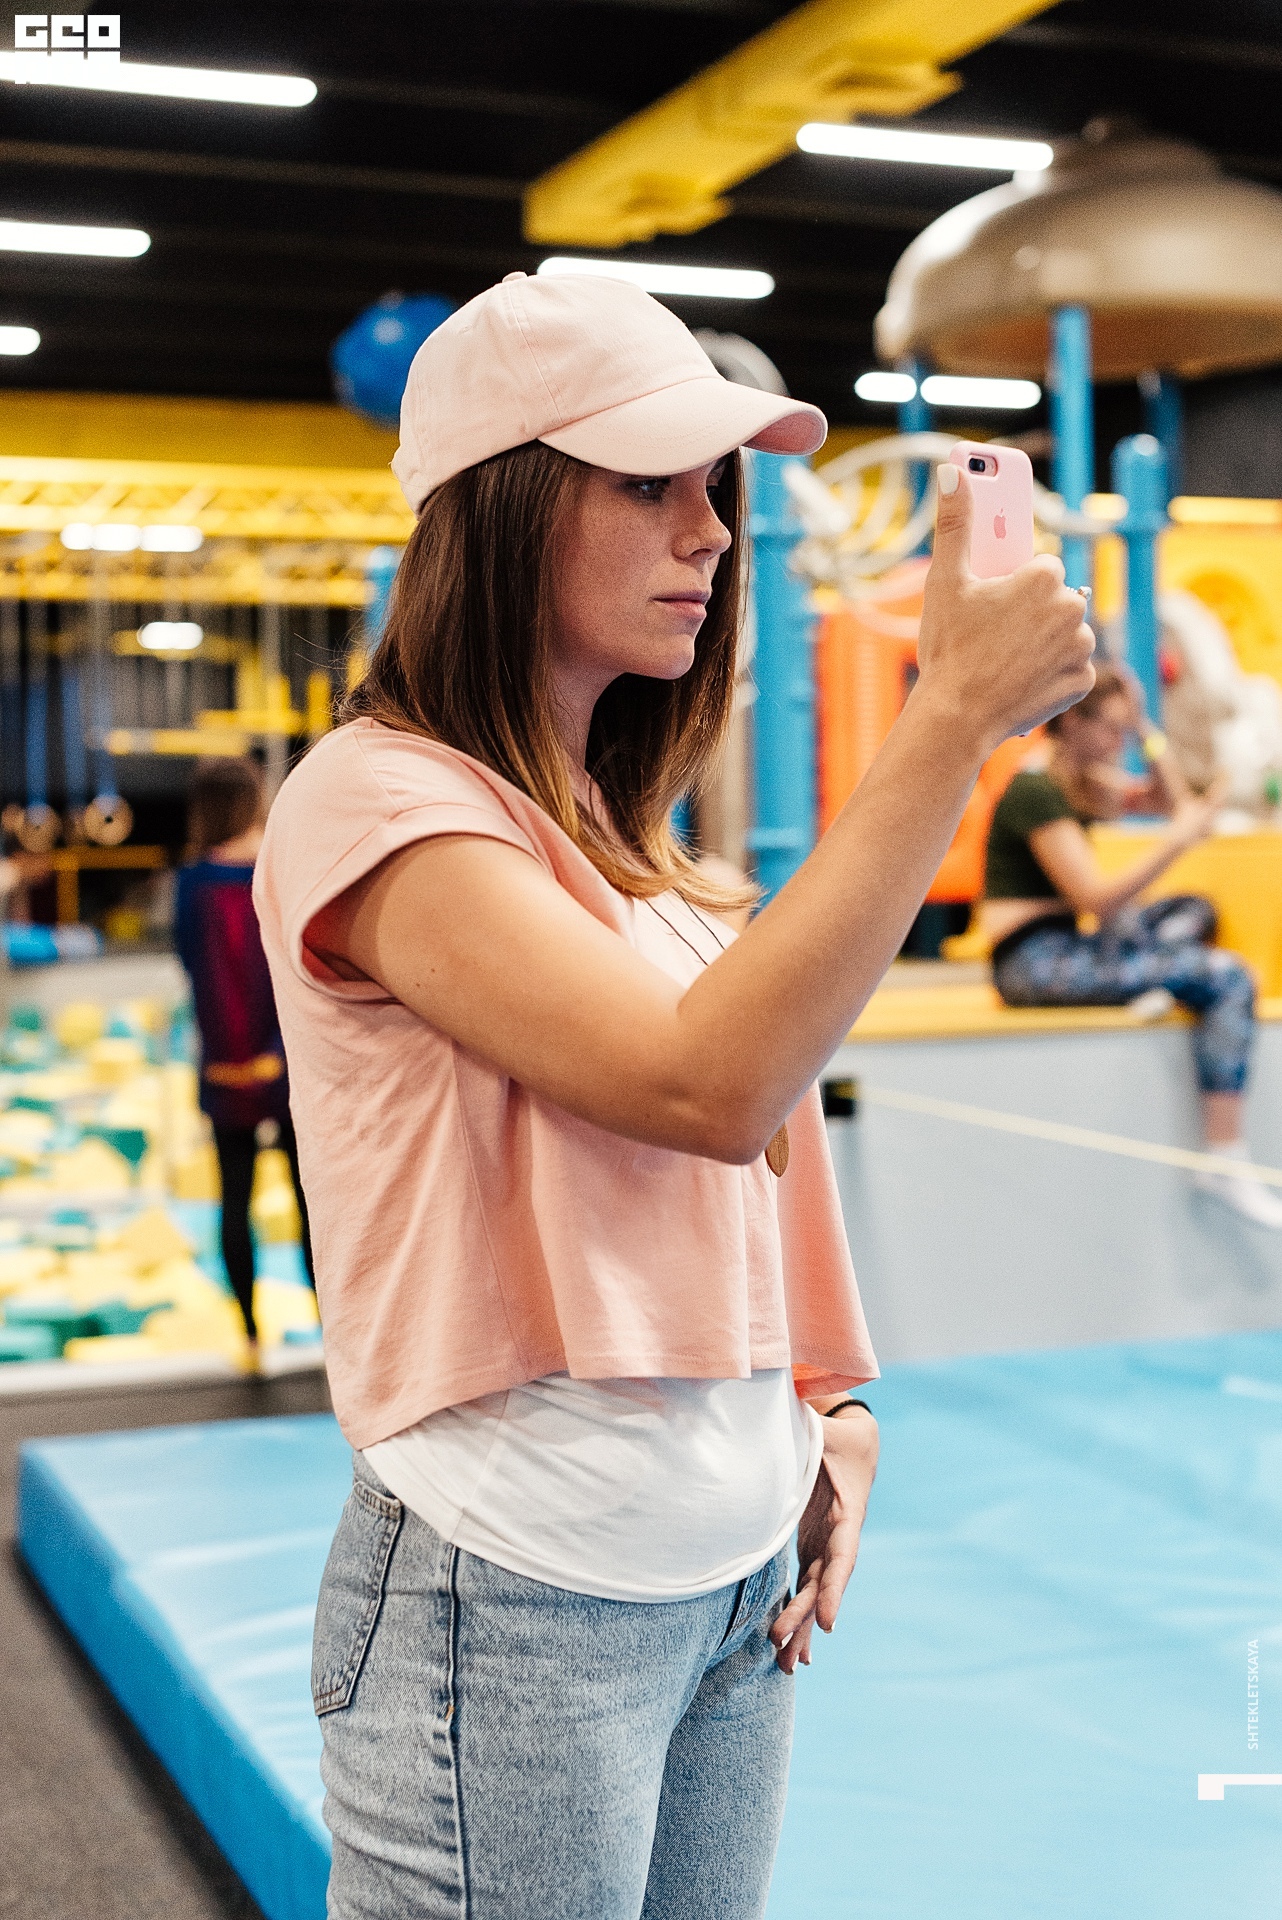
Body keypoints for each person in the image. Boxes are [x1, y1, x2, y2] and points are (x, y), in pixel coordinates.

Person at [253, 271, 1093, 1920]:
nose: (708, 532)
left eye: (711, 487)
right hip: (515, 1596)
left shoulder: (624, 830)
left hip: (729, 1582)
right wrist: (948, 722)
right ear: (506, 508)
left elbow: (760, 1148)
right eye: (649, 484)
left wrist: (828, 1406)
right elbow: (701, 1086)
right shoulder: (376, 803)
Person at [982, 663, 1281, 1226]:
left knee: (1194, 911)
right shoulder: (1035, 790)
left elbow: (1170, 802)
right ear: (1073, 721)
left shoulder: (1076, 779)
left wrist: (1148, 728)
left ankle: (1149, 987)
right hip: (1033, 962)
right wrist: (1176, 843)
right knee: (1227, 977)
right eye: (1112, 729)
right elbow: (1096, 899)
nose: (1119, 744)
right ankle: (1225, 1155)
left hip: (1070, 945)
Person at [175, 756, 314, 1364]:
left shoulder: (193, 883)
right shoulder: (278, 870)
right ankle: (334, 1330)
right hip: (290, 1059)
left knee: (235, 1197)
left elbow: (191, 963)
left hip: (224, 1063)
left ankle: (252, 1333)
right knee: (313, 1199)